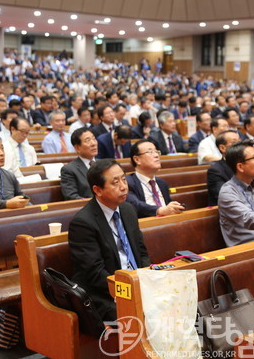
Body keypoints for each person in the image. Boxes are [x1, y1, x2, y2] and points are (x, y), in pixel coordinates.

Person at [69, 158, 150, 321]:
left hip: (136, 282)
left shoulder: (127, 209)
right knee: (144, 315)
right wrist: (129, 290)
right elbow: (95, 274)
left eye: (124, 179)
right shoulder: (83, 223)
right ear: (97, 190)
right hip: (105, 293)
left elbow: (141, 252)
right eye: (115, 182)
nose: (123, 187)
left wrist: (147, 280)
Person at [125, 139, 184, 218]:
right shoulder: (127, 182)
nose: (156, 155)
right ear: (137, 159)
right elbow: (135, 205)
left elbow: (167, 207)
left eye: (156, 152)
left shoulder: (161, 183)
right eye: (150, 152)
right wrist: (159, 210)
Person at [61, 127, 97, 200]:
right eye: (88, 140)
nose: (93, 143)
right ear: (77, 148)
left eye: (94, 139)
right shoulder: (69, 170)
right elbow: (71, 197)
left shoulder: (105, 164)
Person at [207, 130, 240, 206]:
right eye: (235, 142)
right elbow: (224, 196)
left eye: (240, 142)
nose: (240, 146)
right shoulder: (215, 170)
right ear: (222, 148)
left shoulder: (245, 164)